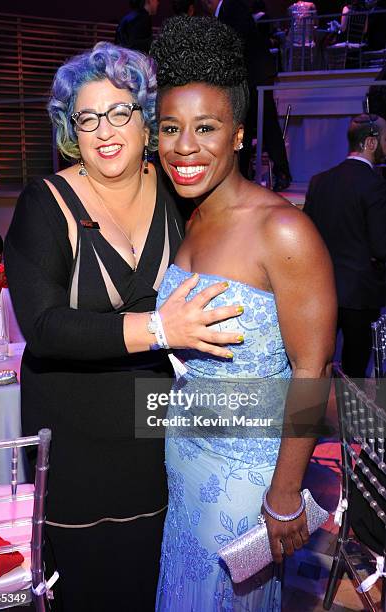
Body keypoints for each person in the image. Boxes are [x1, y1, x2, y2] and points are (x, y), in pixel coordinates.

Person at [4, 42, 242, 612]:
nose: (104, 130)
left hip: (159, 435)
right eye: (86, 117)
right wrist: (161, 328)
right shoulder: (46, 202)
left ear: (145, 120)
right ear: (71, 129)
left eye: (119, 112)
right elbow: (43, 327)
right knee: (92, 590)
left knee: (156, 585)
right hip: (78, 438)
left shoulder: (176, 192)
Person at [150, 16, 336, 610]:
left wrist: (284, 495)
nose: (184, 146)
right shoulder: (194, 218)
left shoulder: (283, 228)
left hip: (249, 479)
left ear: (237, 135)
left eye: (205, 128)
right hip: (185, 460)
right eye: (171, 128)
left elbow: (312, 370)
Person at [304, 114, 386, 379]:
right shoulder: (375, 185)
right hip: (360, 296)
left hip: (321, 290)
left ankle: (312, 418)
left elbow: (307, 235)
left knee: (317, 365)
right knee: (354, 374)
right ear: (371, 143)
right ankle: (351, 420)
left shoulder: (320, 181)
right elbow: (381, 247)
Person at [203, 0, 292, 191]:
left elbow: (236, 44)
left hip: (255, 76)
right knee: (247, 126)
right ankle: (244, 175)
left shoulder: (232, 7)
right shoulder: (228, 9)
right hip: (250, 78)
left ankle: (279, 172)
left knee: (265, 123)